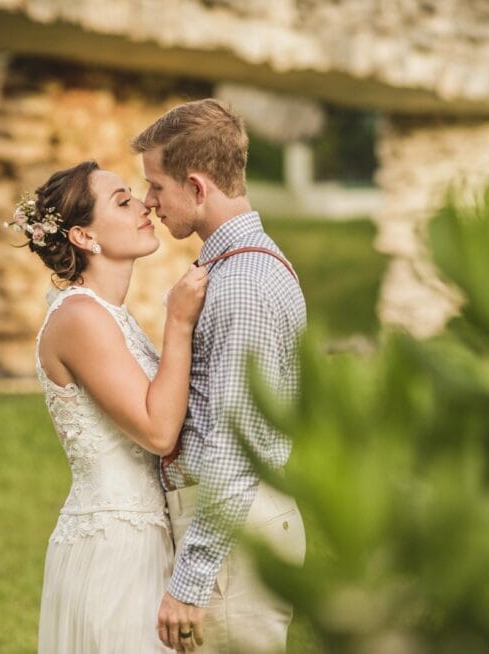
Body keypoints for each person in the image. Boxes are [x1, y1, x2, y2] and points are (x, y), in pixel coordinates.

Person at [8, 160, 208, 652]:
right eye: (123, 202)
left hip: (145, 539)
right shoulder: (79, 317)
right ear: (83, 236)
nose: (144, 206)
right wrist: (178, 323)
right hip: (115, 548)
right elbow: (158, 432)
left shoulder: (110, 316)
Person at [132, 99, 307, 653]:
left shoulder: (241, 285)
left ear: (197, 186)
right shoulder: (240, 267)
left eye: (156, 187)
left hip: (233, 534)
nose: (148, 202)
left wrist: (190, 581)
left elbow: (236, 442)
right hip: (238, 527)